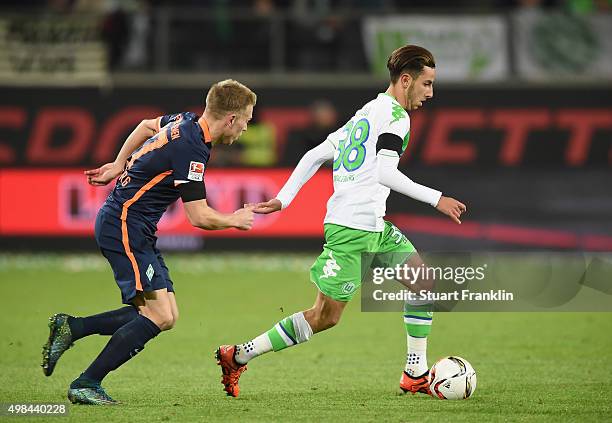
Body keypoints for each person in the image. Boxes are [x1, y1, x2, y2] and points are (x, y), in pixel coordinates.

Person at [215, 46, 466, 397]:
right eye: (426, 84)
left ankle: (415, 372)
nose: (430, 93)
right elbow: (385, 172)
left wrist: (284, 198)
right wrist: (436, 198)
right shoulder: (395, 117)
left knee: (423, 284)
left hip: (374, 227)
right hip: (351, 230)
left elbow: (316, 153)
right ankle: (238, 355)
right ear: (406, 80)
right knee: (325, 317)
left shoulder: (368, 111)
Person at [41, 79, 257, 405]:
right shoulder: (192, 147)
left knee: (166, 315)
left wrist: (117, 164)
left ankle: (73, 327)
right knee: (156, 315)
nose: (245, 127)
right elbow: (199, 216)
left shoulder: (186, 121)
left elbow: (144, 126)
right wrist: (233, 219)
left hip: (133, 227)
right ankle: (86, 382)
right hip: (124, 225)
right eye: (246, 120)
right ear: (230, 119)